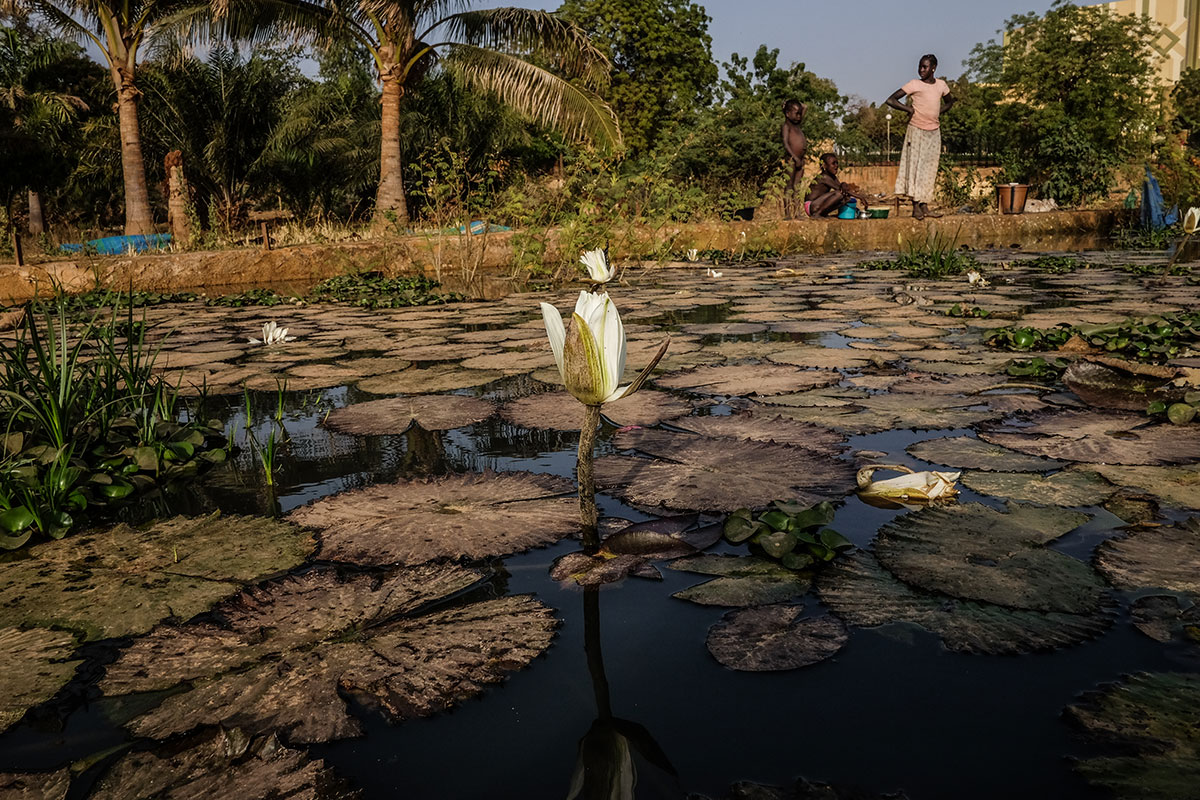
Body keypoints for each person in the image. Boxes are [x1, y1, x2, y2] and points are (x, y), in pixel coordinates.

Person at [886, 54, 955, 220]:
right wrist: (908, 110)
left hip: (934, 131)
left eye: (925, 67)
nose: (921, 70)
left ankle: (925, 205)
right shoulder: (914, 84)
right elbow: (891, 99)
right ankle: (915, 207)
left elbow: (949, 102)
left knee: (929, 169)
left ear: (933, 68)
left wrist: (937, 113)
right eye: (920, 67)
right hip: (916, 129)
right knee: (915, 167)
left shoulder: (941, 85)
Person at [805, 153, 870, 218]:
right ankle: (817, 214)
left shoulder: (833, 177)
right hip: (811, 206)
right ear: (824, 165)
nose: (836, 166)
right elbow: (840, 190)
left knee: (846, 198)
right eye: (833, 163)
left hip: (817, 204)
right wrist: (861, 197)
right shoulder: (824, 177)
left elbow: (844, 190)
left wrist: (844, 184)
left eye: (837, 163)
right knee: (839, 194)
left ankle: (822, 213)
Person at [781, 98, 808, 219]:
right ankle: (788, 213)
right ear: (787, 114)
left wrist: (793, 104)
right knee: (789, 186)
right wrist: (794, 157)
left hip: (800, 160)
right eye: (796, 113)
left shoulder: (797, 124)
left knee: (797, 187)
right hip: (792, 160)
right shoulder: (787, 126)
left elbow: (805, 107)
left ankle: (797, 212)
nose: (799, 116)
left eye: (799, 113)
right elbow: (786, 144)